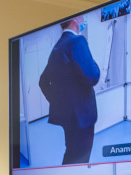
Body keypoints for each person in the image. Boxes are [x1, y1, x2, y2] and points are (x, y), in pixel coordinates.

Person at [39, 14, 101, 165]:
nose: (84, 19)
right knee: (81, 157)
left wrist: (59, 102)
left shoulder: (57, 47)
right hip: (82, 117)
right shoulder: (78, 41)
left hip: (67, 116)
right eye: (82, 16)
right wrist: (96, 65)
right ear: (75, 19)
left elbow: (43, 81)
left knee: (72, 152)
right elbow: (93, 76)